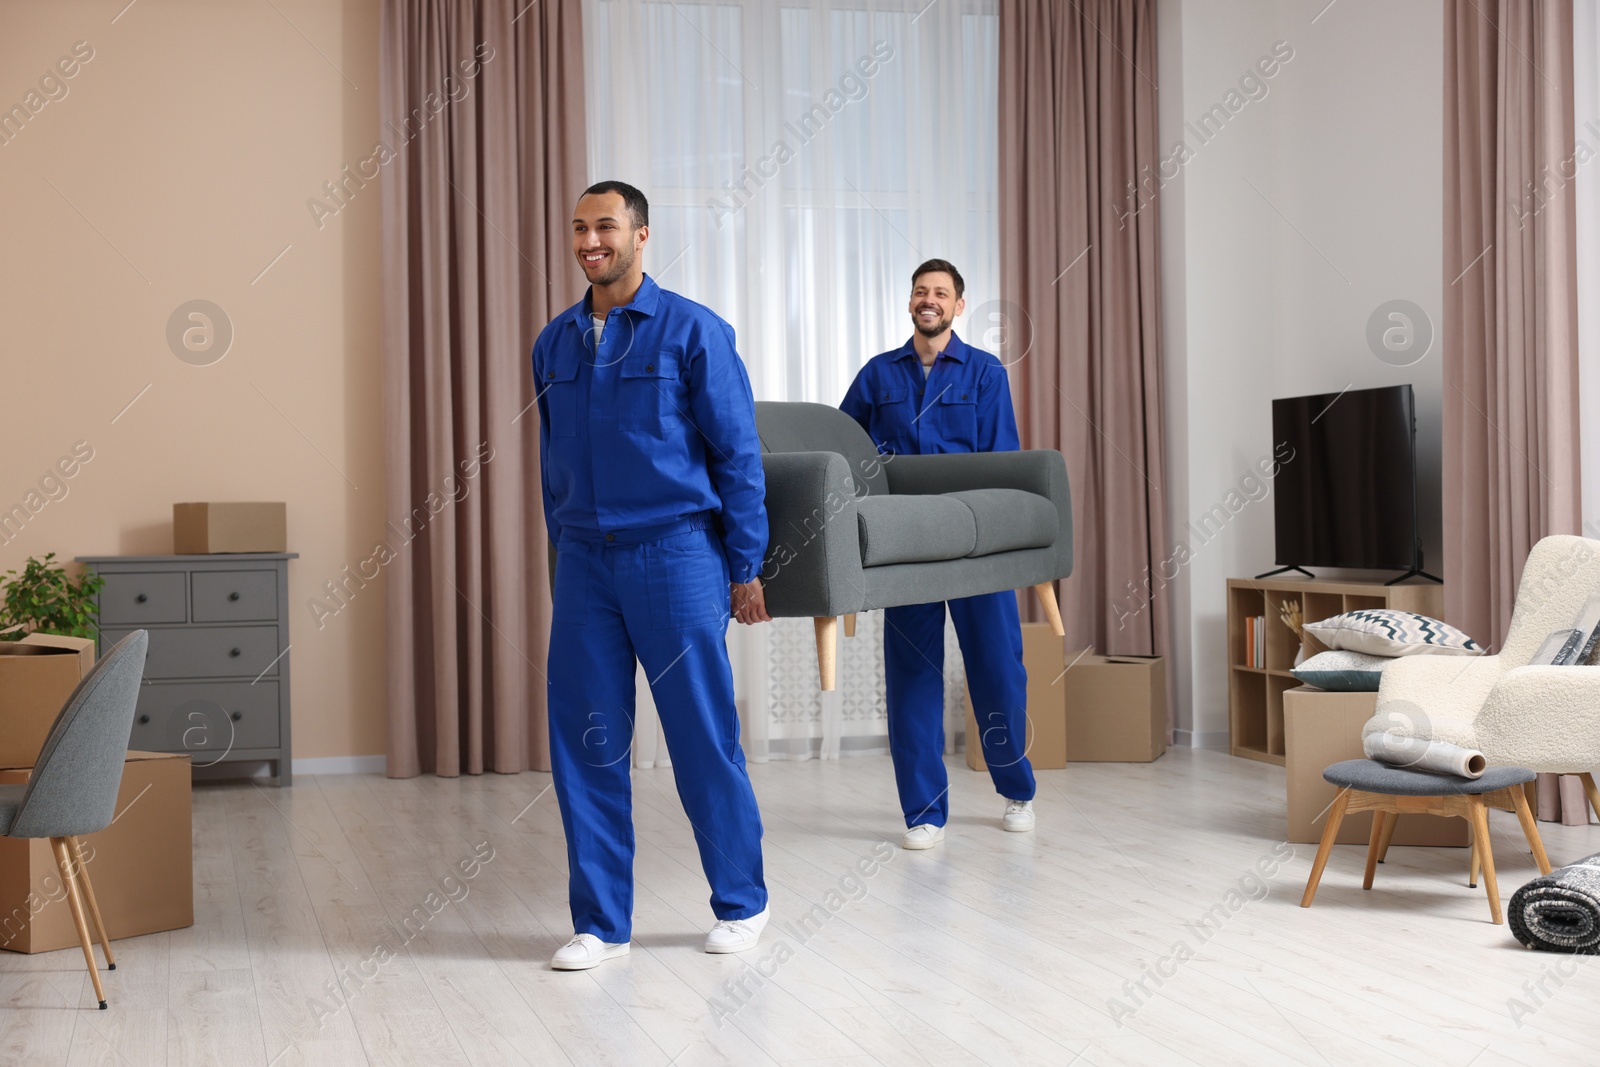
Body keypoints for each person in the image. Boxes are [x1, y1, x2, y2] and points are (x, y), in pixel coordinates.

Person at [533, 180, 774, 970]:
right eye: (578, 228)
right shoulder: (553, 343)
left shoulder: (694, 332)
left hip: (674, 555)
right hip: (585, 565)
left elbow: (739, 456)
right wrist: (560, 559)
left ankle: (743, 903)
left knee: (702, 735)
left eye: (605, 226)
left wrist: (745, 565)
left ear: (641, 235)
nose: (589, 240)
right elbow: (551, 466)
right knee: (588, 741)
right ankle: (601, 922)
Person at [840, 259, 1037, 849]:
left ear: (958, 305)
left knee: (998, 669)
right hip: (908, 549)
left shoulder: (984, 372)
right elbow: (843, 450)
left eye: (941, 293)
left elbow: (1003, 458)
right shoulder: (878, 375)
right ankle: (923, 812)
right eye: (921, 292)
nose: (930, 300)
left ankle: (1017, 789)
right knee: (912, 677)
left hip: (976, 546)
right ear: (909, 304)